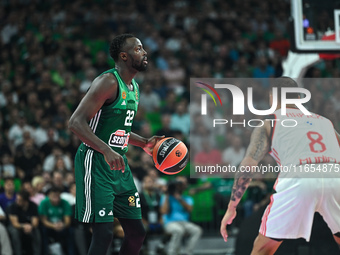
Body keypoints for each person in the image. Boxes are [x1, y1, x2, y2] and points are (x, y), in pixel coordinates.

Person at [220, 77, 340, 254]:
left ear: (272, 98)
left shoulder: (269, 122)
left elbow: (247, 166)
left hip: (300, 178)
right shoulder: (325, 122)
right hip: (335, 176)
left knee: (263, 249)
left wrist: (231, 208)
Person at [68, 33, 164, 255]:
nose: (145, 52)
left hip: (118, 167)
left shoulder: (134, 87)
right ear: (124, 56)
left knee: (137, 232)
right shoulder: (108, 82)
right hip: (96, 162)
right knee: (104, 234)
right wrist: (106, 150)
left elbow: (119, 131)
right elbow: (75, 122)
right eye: (139, 49)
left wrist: (145, 143)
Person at [160, 176, 202, 255]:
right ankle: (172, 253)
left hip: (184, 223)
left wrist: (179, 198)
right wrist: (167, 194)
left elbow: (189, 209)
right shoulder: (165, 197)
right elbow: (164, 211)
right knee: (179, 230)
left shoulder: (187, 198)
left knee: (197, 230)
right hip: (170, 223)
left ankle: (188, 252)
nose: (179, 186)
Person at [39, 187, 74, 255]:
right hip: (49, 226)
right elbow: (44, 220)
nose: (56, 199)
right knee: (43, 231)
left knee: (70, 231)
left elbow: (67, 221)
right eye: (53, 196)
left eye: (57, 196)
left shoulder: (65, 203)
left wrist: (63, 225)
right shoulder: (44, 203)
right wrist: (53, 226)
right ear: (49, 196)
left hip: (62, 225)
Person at [7, 190, 41, 255]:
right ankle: (18, 253)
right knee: (15, 232)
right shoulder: (13, 207)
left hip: (29, 226)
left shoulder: (33, 206)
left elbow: (35, 223)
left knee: (36, 232)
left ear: (25, 201)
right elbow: (15, 224)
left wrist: (31, 226)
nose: (17, 201)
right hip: (17, 226)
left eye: (19, 200)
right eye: (17, 199)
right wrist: (24, 226)